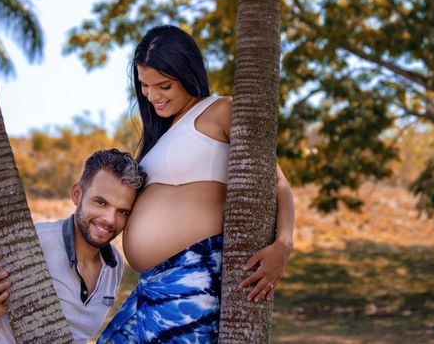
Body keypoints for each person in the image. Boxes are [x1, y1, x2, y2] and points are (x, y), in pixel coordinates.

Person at [99, 26, 295, 343]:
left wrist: (283, 246)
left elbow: (278, 183)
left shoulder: (221, 110)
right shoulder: (160, 134)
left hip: (194, 280)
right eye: (145, 85)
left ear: (188, 73)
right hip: (151, 285)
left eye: (164, 85)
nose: (153, 96)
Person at [0, 149, 146, 344]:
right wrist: (0, 306)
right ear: (77, 194)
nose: (110, 220)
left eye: (122, 212)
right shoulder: (28, 242)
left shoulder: (115, 265)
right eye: (101, 202)